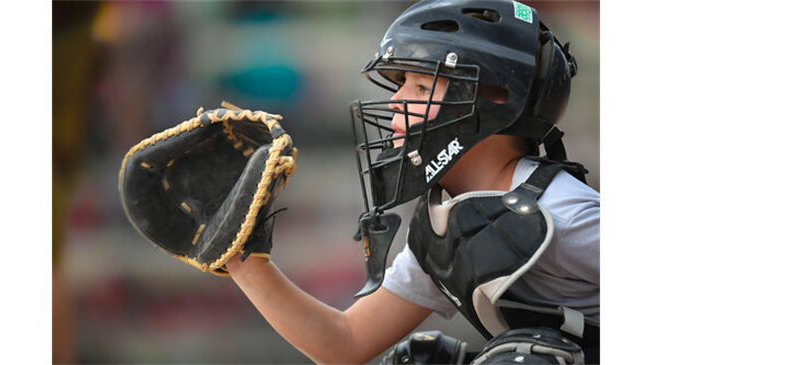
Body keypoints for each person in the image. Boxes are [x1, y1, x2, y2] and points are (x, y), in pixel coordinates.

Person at [225, 0, 600, 364]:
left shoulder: (563, 214)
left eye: (422, 88)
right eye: (402, 83)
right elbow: (345, 342)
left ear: (494, 101)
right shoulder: (447, 222)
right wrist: (244, 263)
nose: (394, 102)